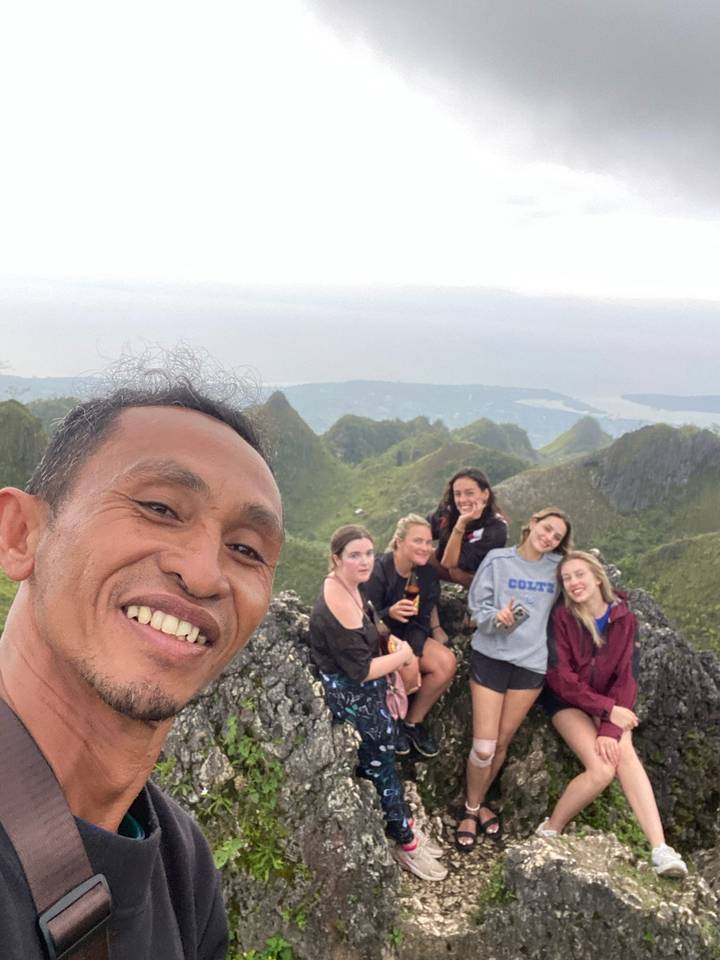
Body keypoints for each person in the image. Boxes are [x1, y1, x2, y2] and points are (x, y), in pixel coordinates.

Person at [0, 376, 285, 958]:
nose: (205, 574)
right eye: (159, 507)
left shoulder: (184, 867)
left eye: (246, 549)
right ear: (20, 535)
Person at [536, 551, 688, 878]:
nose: (574, 583)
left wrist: (609, 726)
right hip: (567, 701)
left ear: (597, 578)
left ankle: (660, 849)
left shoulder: (624, 618)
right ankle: (550, 828)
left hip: (608, 701)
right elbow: (560, 678)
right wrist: (607, 711)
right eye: (567, 579)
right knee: (602, 771)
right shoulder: (562, 617)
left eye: (580, 575)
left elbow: (625, 678)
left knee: (623, 750)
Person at [308, 525, 447, 882]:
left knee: (388, 749)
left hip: (363, 683)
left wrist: (394, 643)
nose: (364, 561)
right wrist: (401, 658)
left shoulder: (352, 589)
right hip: (350, 690)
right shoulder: (337, 602)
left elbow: (374, 629)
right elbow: (361, 671)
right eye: (354, 555)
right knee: (383, 754)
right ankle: (404, 843)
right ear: (336, 558)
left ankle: (405, 826)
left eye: (369, 553)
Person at [456, 507, 573, 851]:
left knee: (502, 744)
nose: (549, 537)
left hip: (531, 665)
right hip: (492, 657)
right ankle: (473, 808)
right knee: (484, 747)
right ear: (532, 523)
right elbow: (476, 609)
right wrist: (498, 617)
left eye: (557, 536)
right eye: (547, 528)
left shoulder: (557, 569)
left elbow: (584, 586)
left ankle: (473, 807)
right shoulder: (498, 560)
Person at [365, 515, 457, 759]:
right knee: (403, 668)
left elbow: (422, 619)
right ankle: (391, 723)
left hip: (407, 636)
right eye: (418, 541)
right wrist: (389, 613)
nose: (426, 548)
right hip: (377, 637)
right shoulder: (377, 571)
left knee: (446, 664)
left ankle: (412, 722)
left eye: (429, 542)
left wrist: (413, 653)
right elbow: (365, 618)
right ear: (398, 542)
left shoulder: (426, 575)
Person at [428, 468, 508, 589]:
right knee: (415, 552)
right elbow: (422, 530)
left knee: (456, 571)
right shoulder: (448, 511)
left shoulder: (496, 528)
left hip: (474, 575)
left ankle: (477, 602)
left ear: (485, 494)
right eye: (457, 494)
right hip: (444, 563)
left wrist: (461, 524)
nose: (462, 500)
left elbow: (449, 563)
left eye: (470, 493)